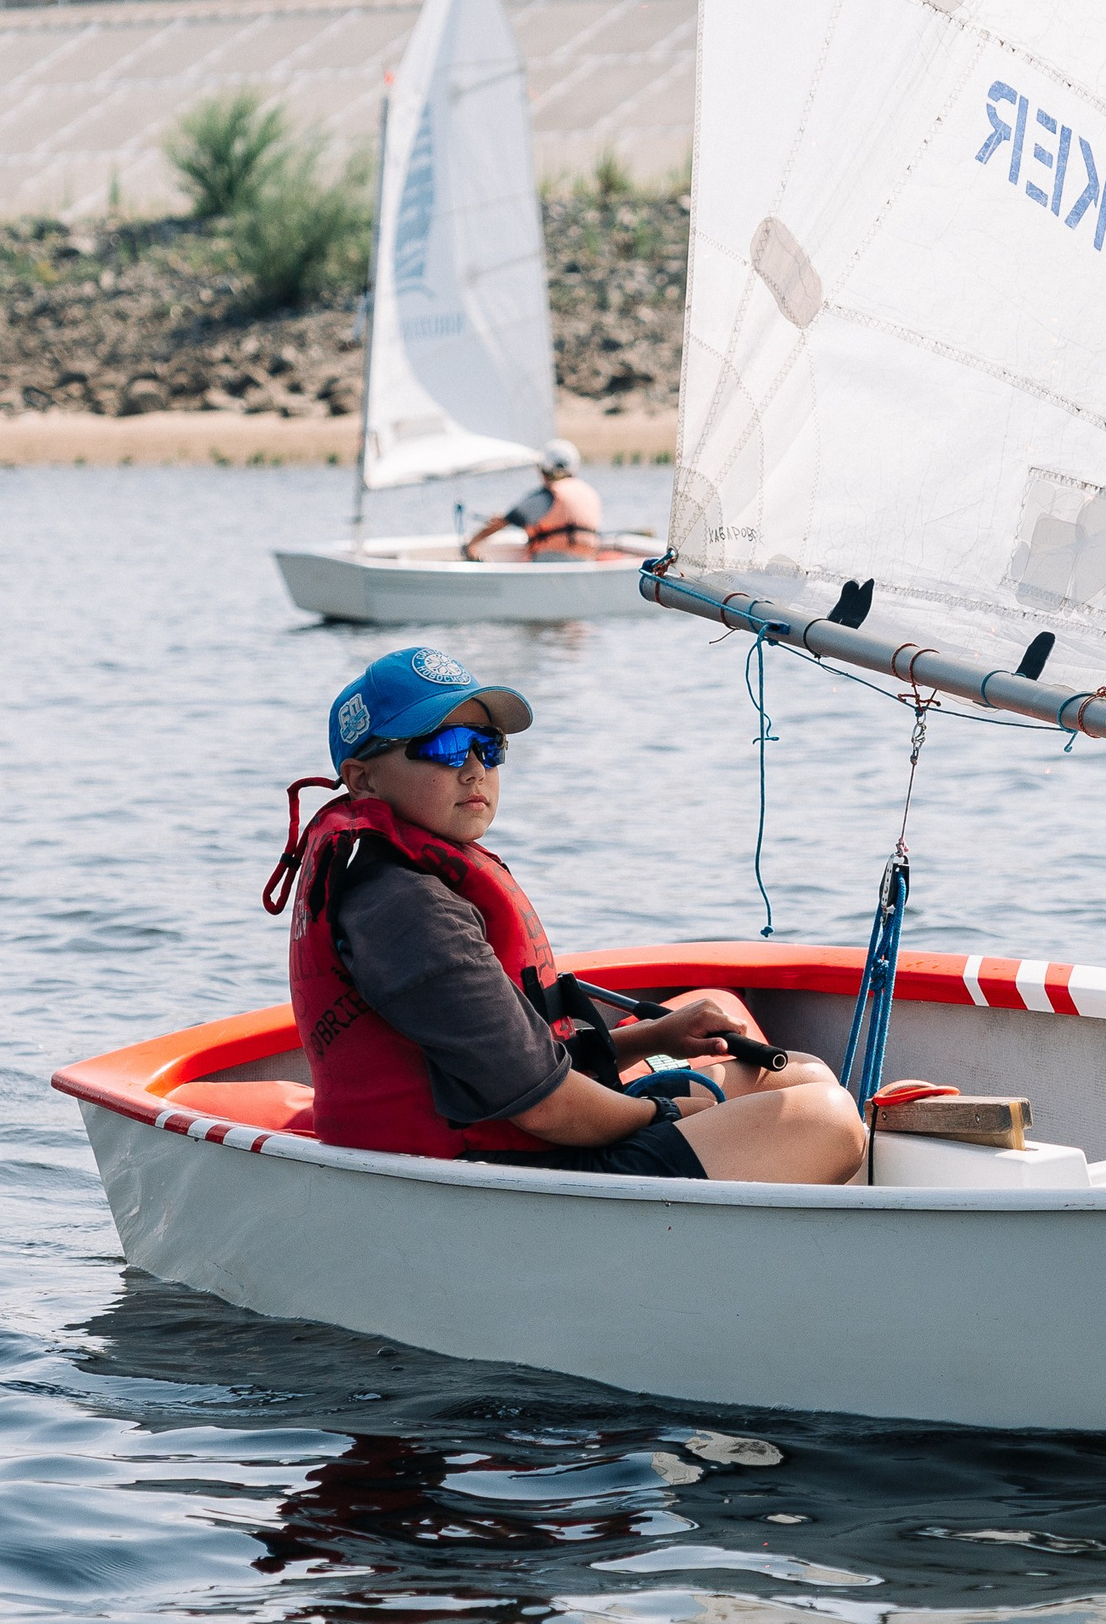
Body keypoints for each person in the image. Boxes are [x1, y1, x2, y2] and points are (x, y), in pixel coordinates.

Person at [269, 645, 866, 1184]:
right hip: (483, 1176)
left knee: (802, 1076)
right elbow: (546, 1105)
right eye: (443, 747)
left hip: (516, 1138)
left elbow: (515, 1059)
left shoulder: (399, 877)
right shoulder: (405, 908)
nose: (475, 768)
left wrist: (657, 1037)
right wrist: (669, 1111)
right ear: (361, 778)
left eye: (488, 746)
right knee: (828, 1120)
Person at [466, 440, 602, 562]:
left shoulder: (545, 496)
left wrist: (472, 544)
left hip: (552, 563)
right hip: (586, 561)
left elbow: (504, 521)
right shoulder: (590, 492)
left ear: (543, 470)